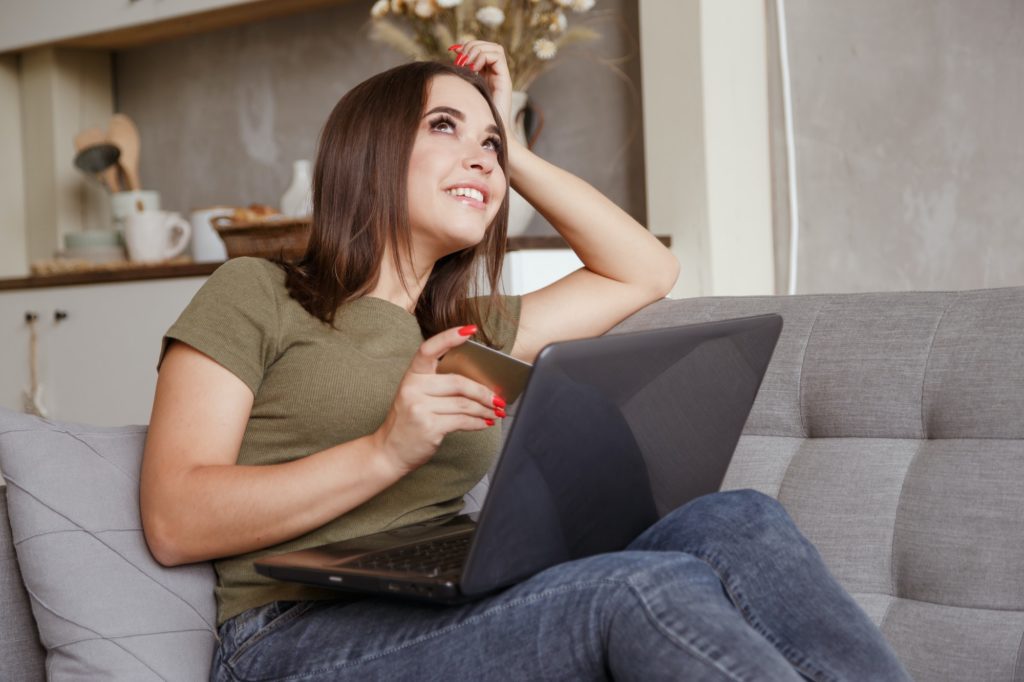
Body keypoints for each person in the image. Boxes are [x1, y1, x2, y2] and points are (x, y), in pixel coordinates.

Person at [140, 42, 910, 681]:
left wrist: (517, 144)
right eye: (447, 126)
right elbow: (175, 519)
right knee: (643, 586)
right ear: (370, 149)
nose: (481, 161)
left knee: (739, 518)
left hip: (448, 596)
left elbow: (642, 270)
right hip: (291, 638)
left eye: (489, 148)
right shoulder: (261, 292)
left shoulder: (471, 327)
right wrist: (385, 452)